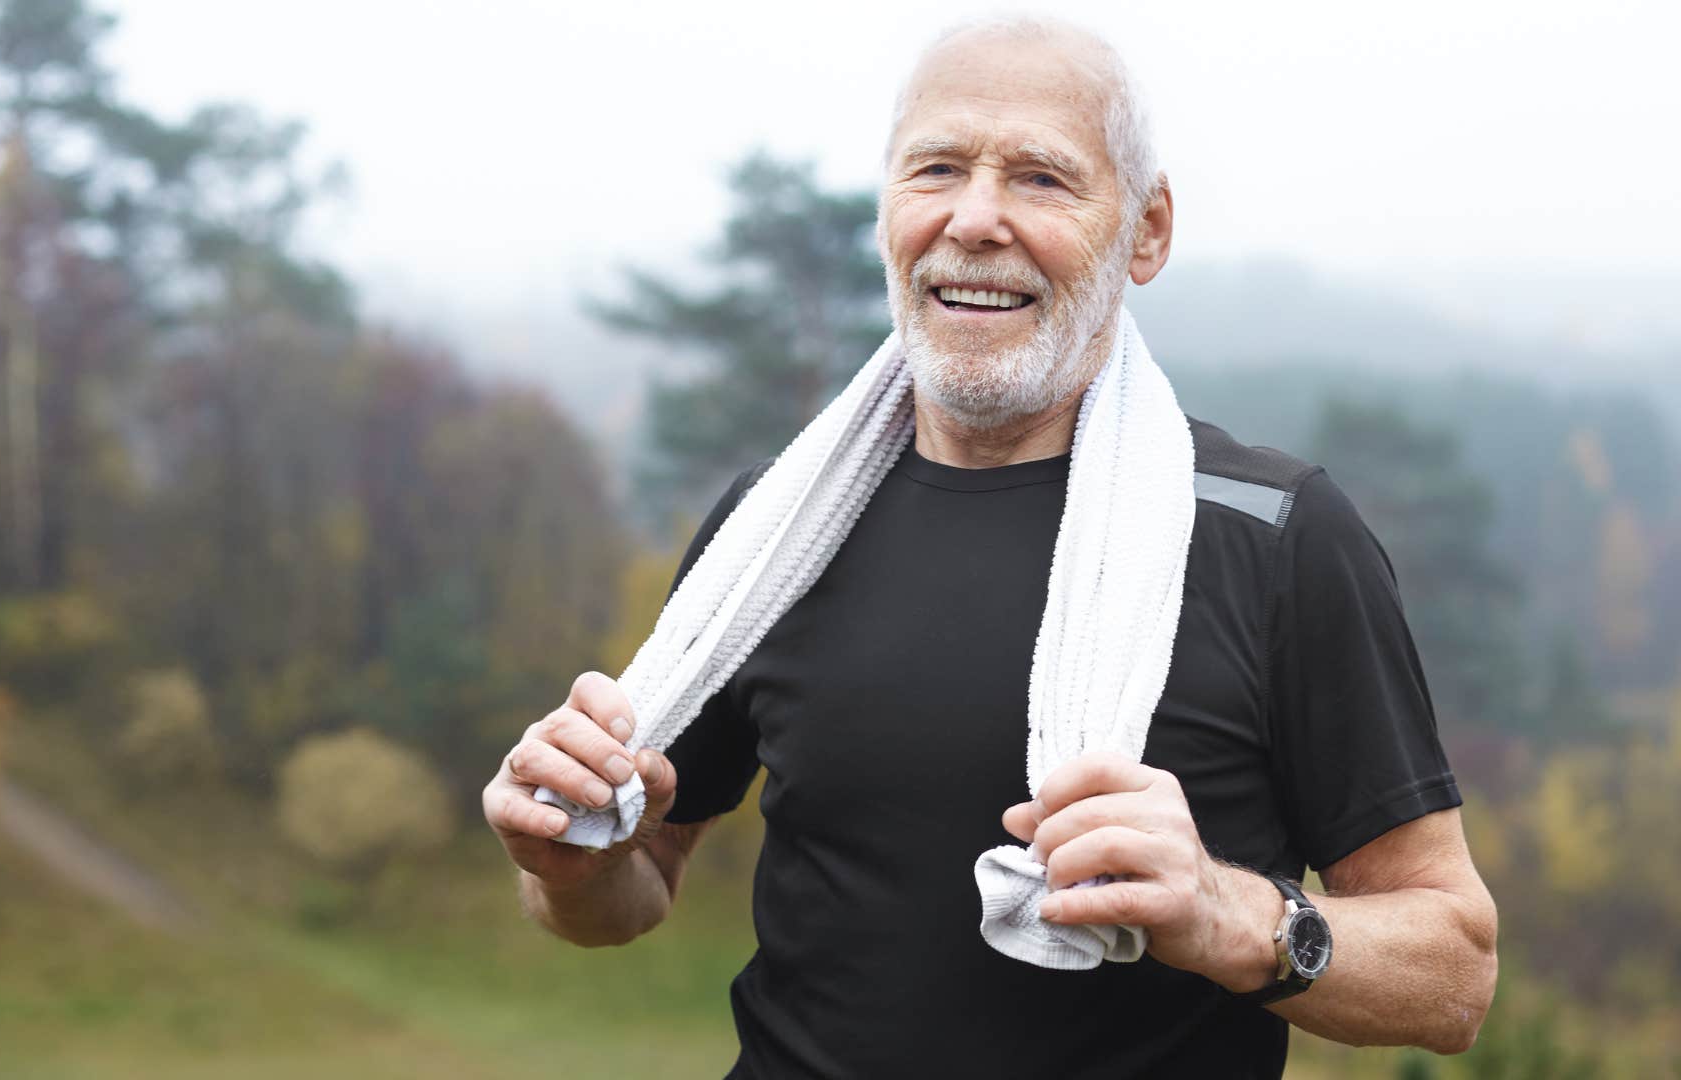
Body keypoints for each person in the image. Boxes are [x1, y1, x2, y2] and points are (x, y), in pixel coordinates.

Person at [481, 15, 1497, 1078]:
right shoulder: (773, 526)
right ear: (887, 207)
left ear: (1146, 231)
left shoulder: (1276, 538)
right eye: (937, 169)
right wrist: (566, 861)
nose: (973, 220)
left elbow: (1456, 976)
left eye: (1041, 179)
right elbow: (632, 886)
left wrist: (1230, 915)